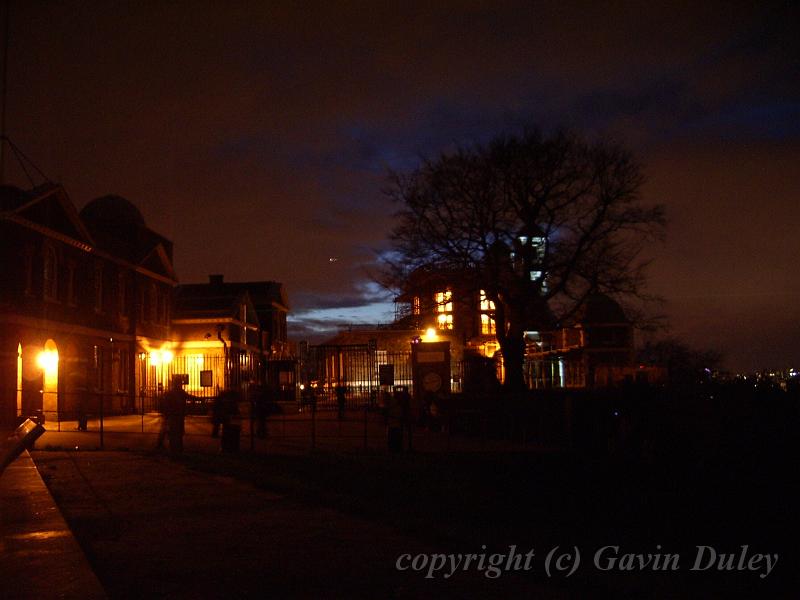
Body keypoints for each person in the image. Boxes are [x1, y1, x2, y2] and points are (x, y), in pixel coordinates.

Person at [162, 379, 188, 456]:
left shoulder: (169, 393)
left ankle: (173, 449)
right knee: (178, 433)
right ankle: (178, 449)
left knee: (173, 433)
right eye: (180, 384)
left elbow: (165, 405)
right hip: (178, 415)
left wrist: (166, 414)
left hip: (173, 416)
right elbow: (190, 397)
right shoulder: (181, 392)